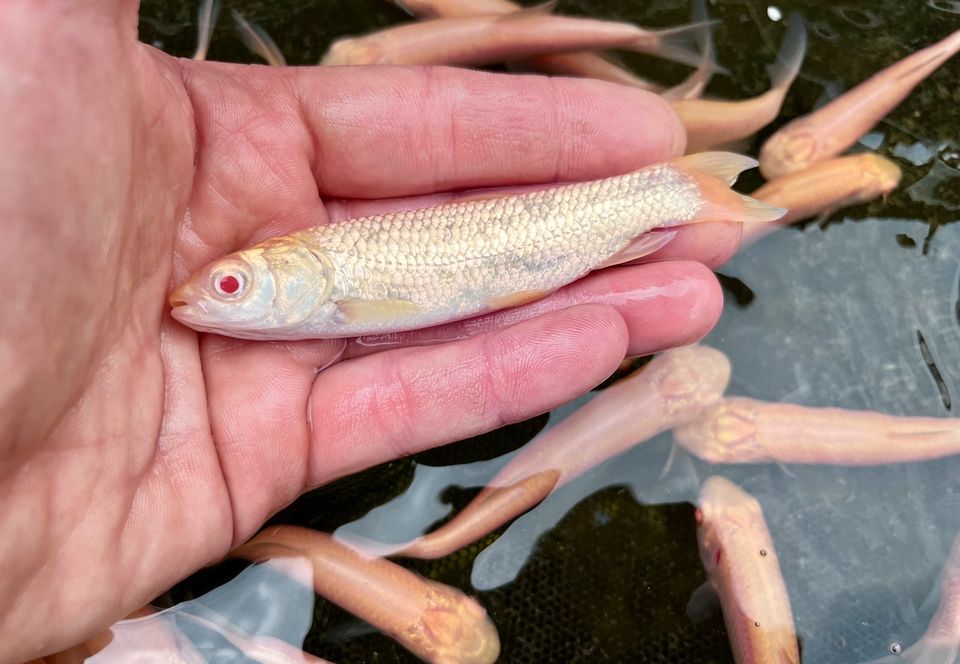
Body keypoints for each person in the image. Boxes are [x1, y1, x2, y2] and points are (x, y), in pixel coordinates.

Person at [0, 1, 740, 660]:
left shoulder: (329, 283)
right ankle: (682, 193)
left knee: (624, 239)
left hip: (532, 238)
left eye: (233, 285)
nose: (204, 298)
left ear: (294, 277)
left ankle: (678, 193)